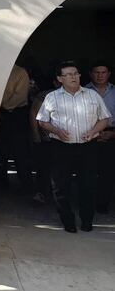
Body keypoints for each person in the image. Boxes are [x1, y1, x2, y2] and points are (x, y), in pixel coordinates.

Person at [36, 61, 111, 232]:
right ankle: (67, 220)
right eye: (68, 74)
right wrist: (57, 130)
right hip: (61, 146)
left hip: (88, 146)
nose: (73, 77)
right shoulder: (52, 97)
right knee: (61, 185)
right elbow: (42, 121)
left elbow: (105, 118)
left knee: (89, 183)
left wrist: (93, 131)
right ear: (60, 78)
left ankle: (86, 220)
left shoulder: (92, 96)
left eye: (75, 73)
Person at [0, 63, 32, 191]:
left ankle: (26, 185)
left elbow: (19, 97)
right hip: (1, 115)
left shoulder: (20, 72)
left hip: (16, 115)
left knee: (20, 151)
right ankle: (0, 183)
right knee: (0, 152)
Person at [85, 62, 115, 214]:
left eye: (103, 72)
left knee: (108, 172)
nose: (100, 75)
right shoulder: (83, 91)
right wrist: (93, 133)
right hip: (88, 135)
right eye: (97, 72)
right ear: (91, 74)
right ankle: (86, 203)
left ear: (109, 74)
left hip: (112, 134)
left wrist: (112, 133)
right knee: (88, 172)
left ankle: (102, 204)